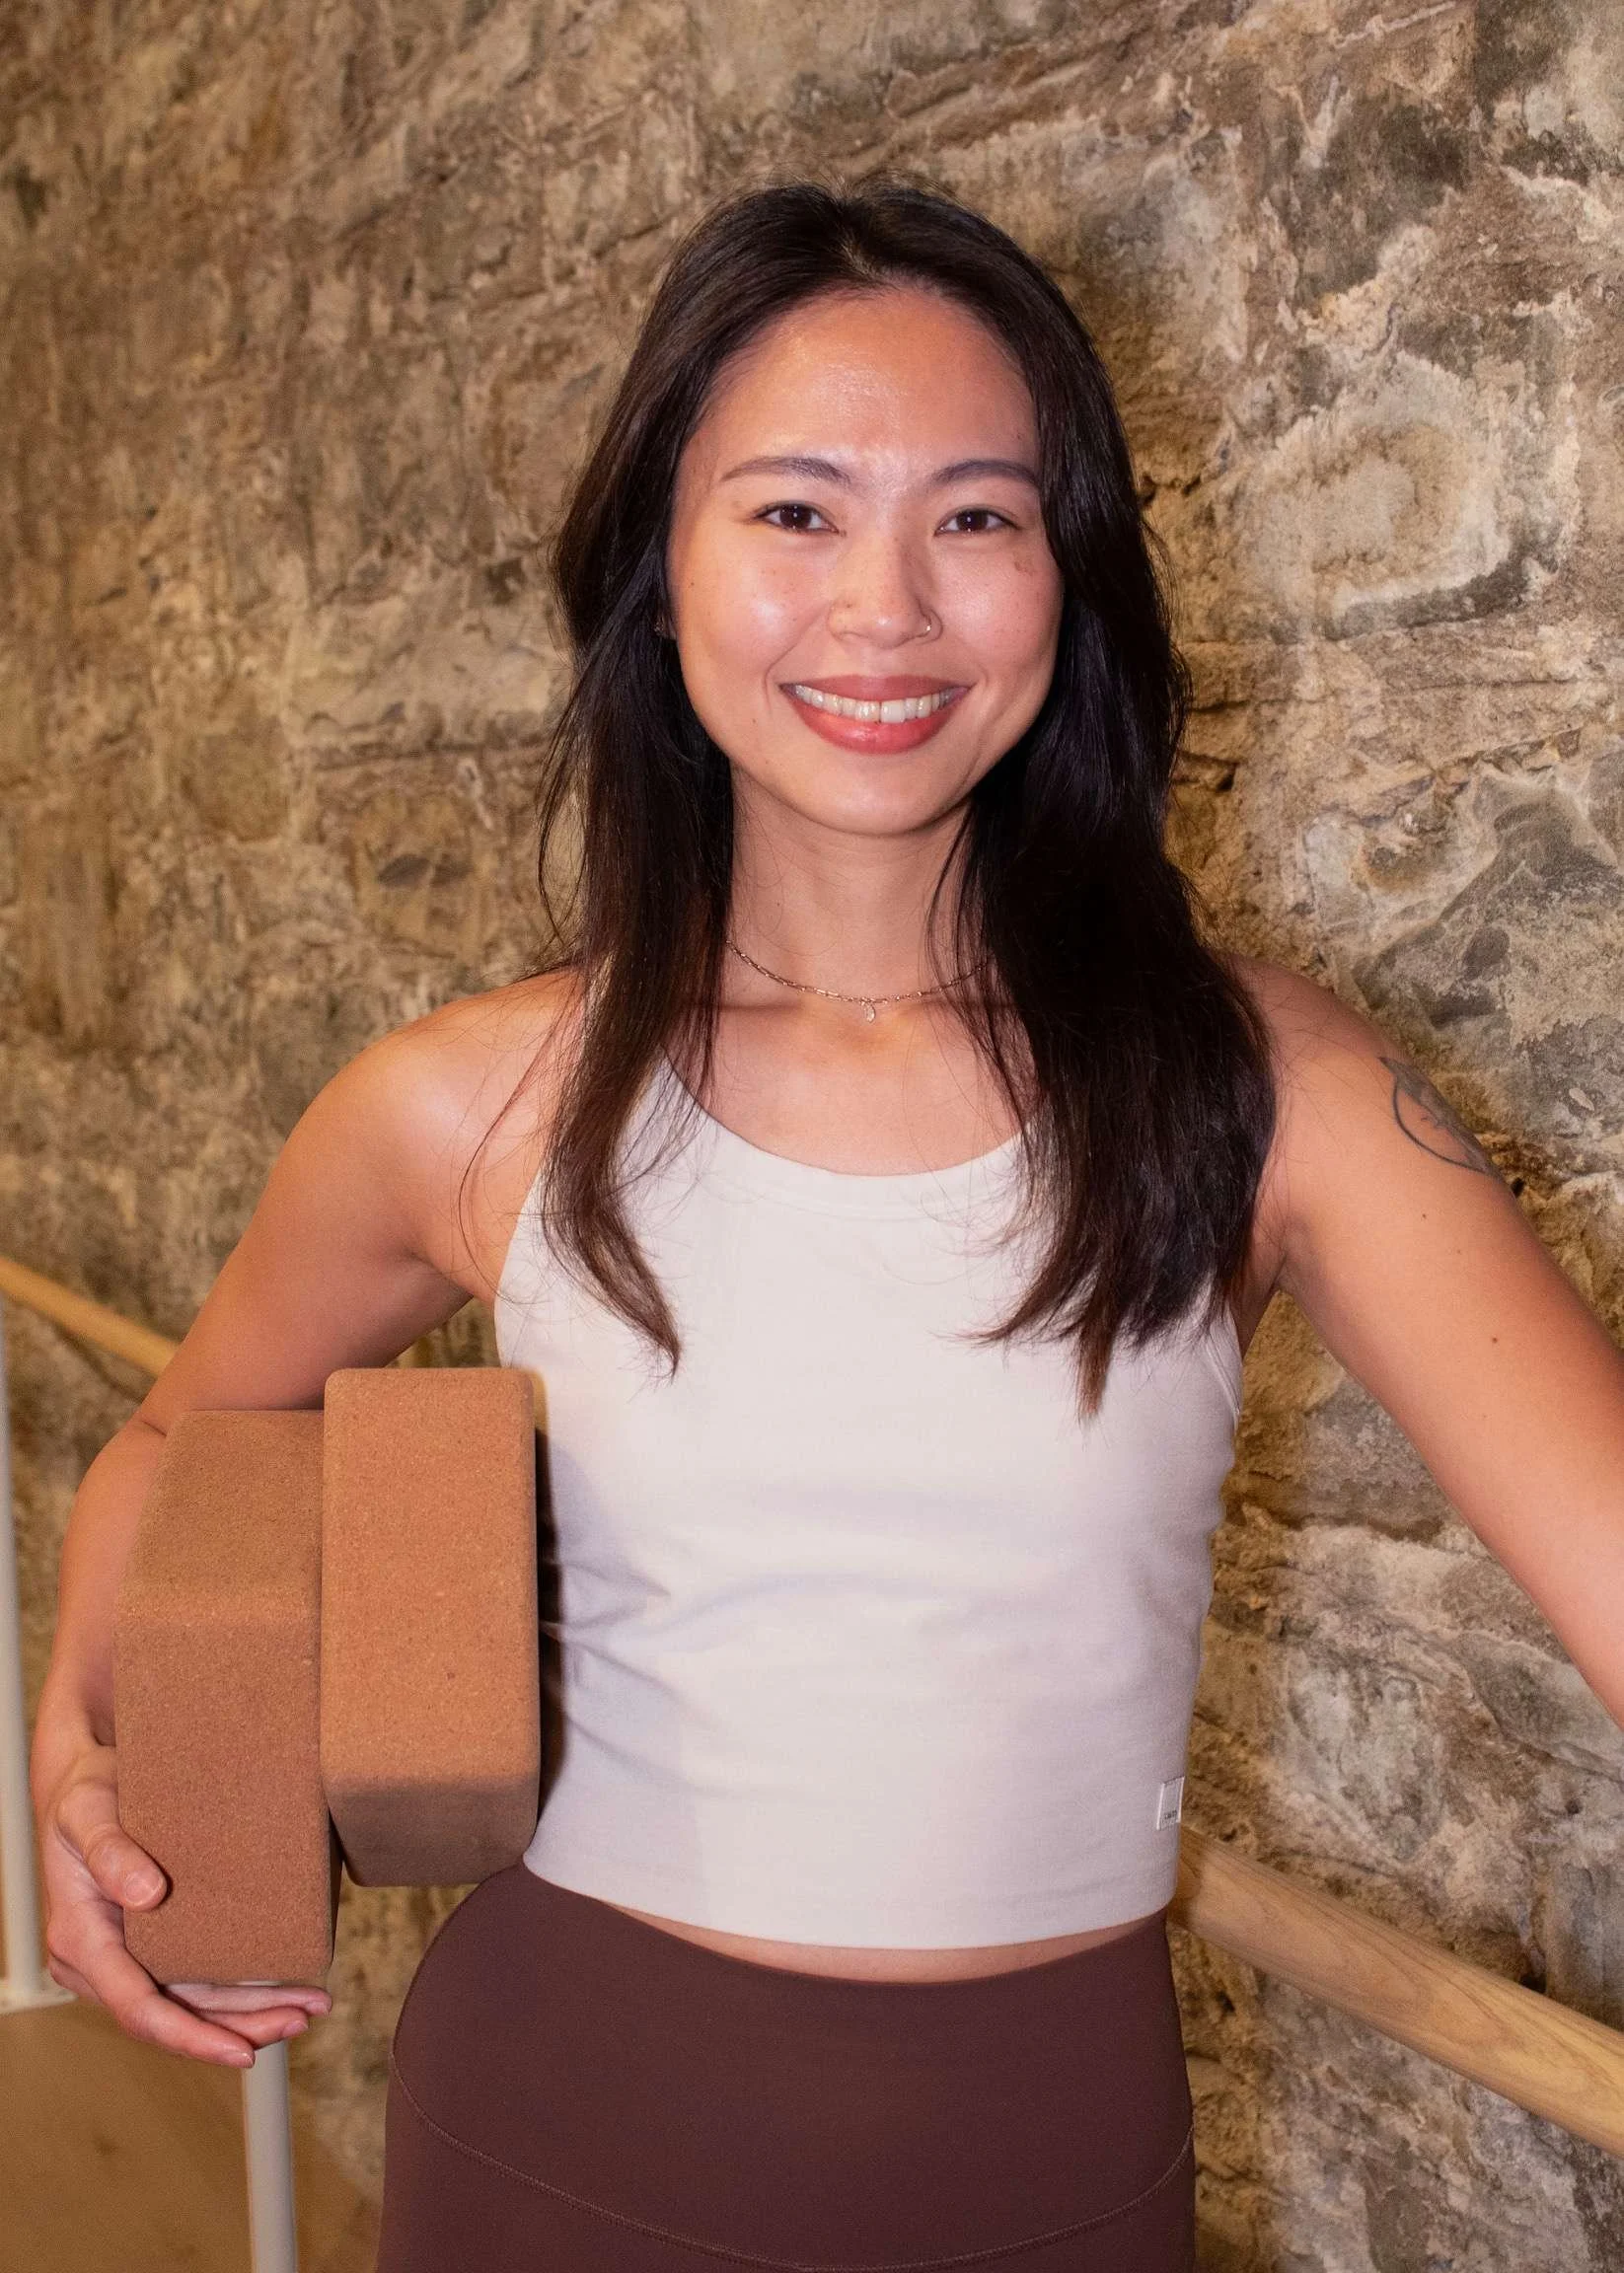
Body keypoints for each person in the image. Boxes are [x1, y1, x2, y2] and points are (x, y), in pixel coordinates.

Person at [29, 179, 1624, 2272]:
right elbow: (183, 1436)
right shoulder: (461, 1101)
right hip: (556, 2127)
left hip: (1058, 2163)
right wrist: (79, 1733)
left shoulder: (1267, 1098)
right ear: (658, 574)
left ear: (1070, 580)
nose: (884, 603)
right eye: (792, 512)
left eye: (975, 516)